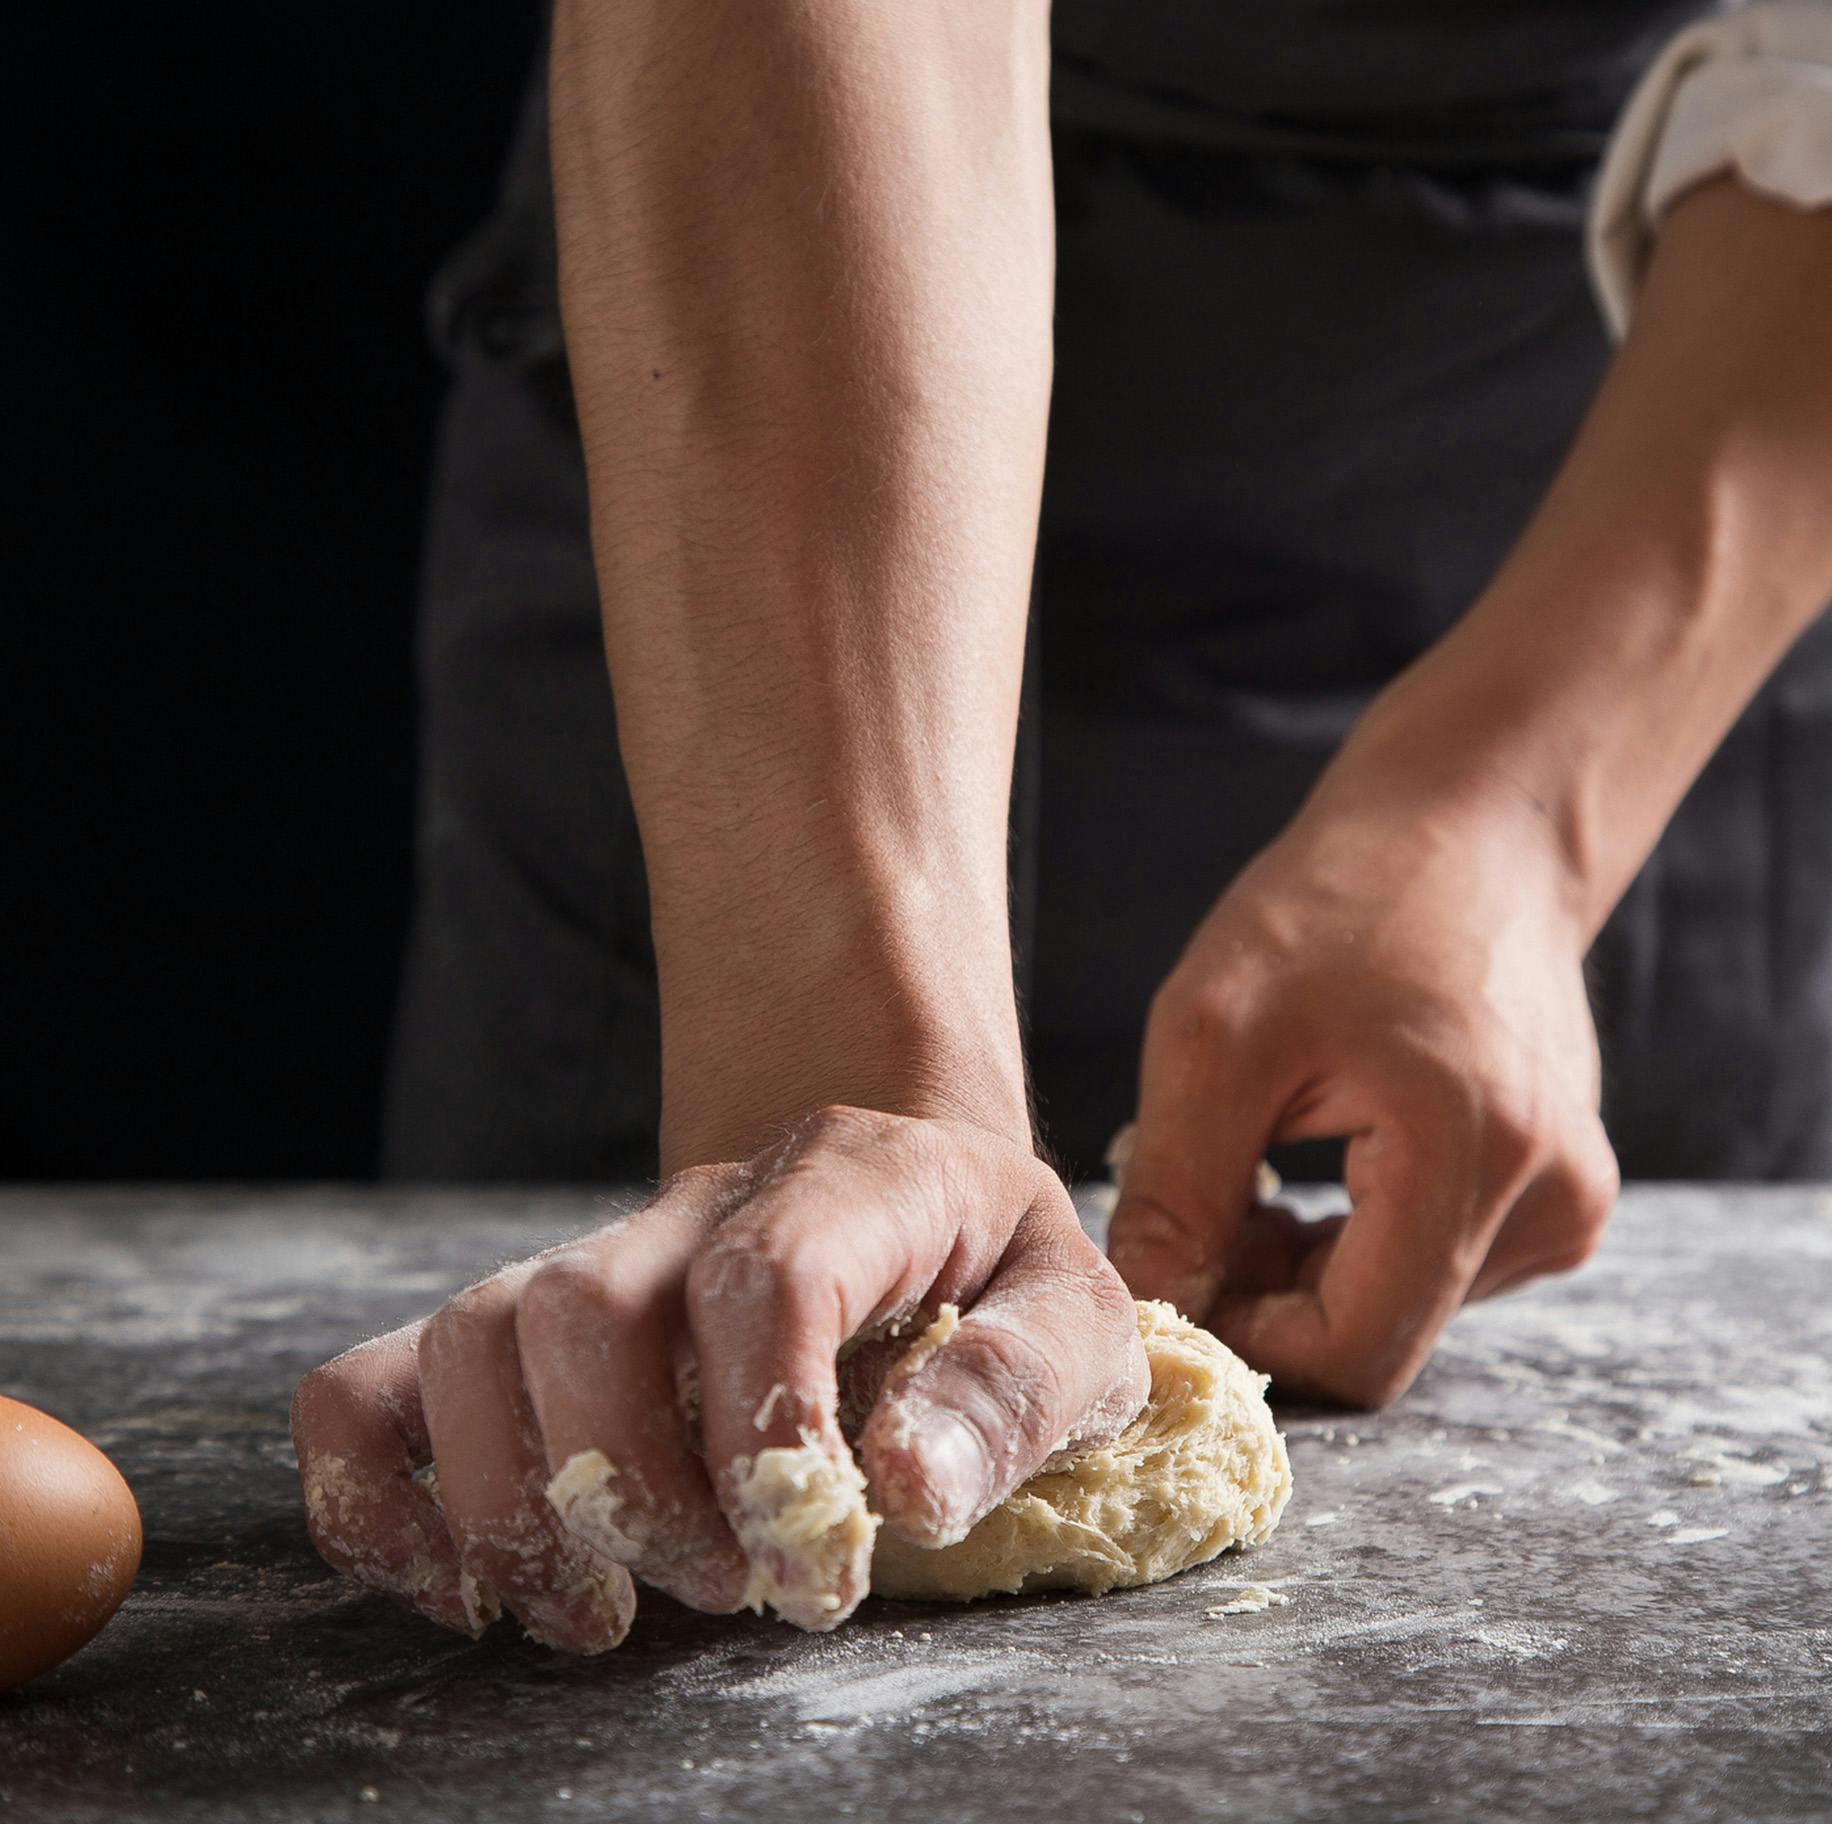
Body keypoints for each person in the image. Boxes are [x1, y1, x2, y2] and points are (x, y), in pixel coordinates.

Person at [293, 3, 1832, 1651]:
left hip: (1669, 386)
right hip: (770, 330)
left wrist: (1518, 822)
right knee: (633, 1480)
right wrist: (835, 1065)